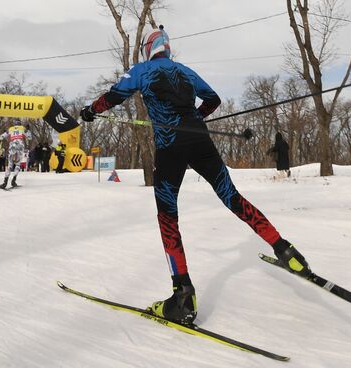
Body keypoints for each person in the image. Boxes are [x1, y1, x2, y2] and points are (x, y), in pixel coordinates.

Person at [80, 25, 310, 325]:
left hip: (170, 147)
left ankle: (183, 295)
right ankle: (284, 248)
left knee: (168, 217)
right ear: (167, 48)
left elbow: (113, 96)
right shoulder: (185, 71)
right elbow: (213, 99)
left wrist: (90, 111)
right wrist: (195, 119)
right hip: (200, 141)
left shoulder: (141, 70)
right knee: (232, 198)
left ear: (148, 49)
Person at [0, 119, 32, 188]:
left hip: (12, 147)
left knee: (10, 164)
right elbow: (30, 138)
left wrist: (4, 134)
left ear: (14, 124)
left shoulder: (11, 129)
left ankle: (5, 182)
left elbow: (1, 137)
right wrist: (28, 130)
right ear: (19, 123)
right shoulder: (23, 128)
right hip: (20, 147)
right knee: (18, 164)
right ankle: (13, 180)